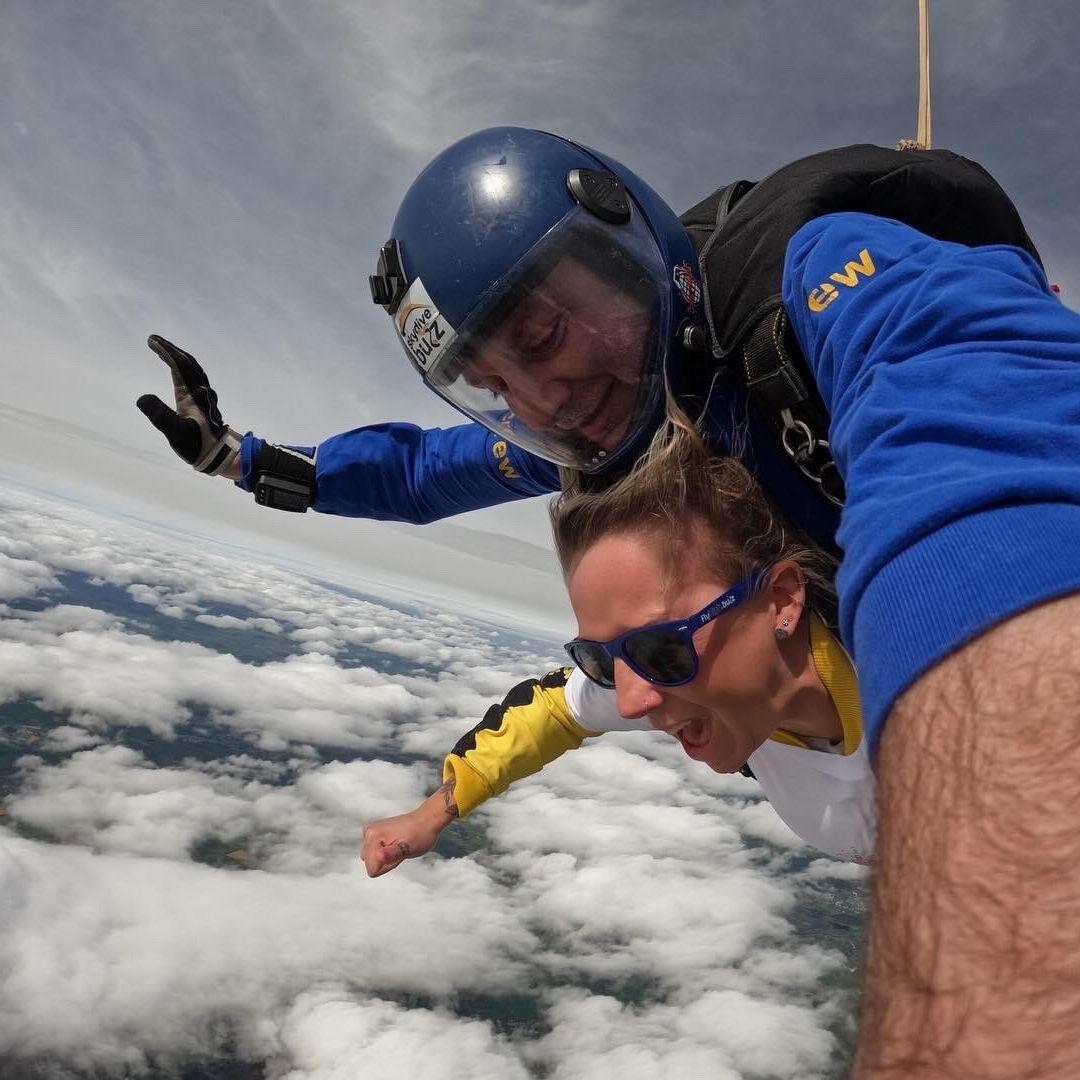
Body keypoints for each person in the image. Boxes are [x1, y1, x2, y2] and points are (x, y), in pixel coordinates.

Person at [138, 128, 1080, 1077]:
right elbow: (428, 470)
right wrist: (243, 461)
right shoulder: (612, 431)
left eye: (543, 334)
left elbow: (983, 463)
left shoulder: (813, 278)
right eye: (495, 383)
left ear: (629, 250)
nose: (545, 398)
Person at [361, 414, 876, 877]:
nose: (632, 703)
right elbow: (555, 710)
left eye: (661, 649)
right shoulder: (731, 700)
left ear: (781, 602)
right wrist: (430, 815)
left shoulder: (925, 694)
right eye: (601, 661)